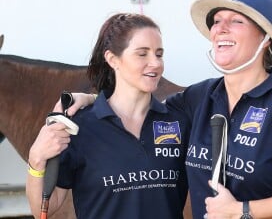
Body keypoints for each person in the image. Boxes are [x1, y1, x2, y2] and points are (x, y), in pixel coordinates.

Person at [63, 0, 272, 218]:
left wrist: (242, 211)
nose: (220, 29)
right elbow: (136, 104)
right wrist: (92, 100)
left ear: (266, 37)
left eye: (236, 21)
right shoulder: (199, 99)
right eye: (216, 21)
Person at [26, 13, 191, 219]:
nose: (155, 63)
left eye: (159, 54)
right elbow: (44, 208)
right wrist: (36, 159)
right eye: (142, 54)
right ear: (113, 59)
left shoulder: (179, 121)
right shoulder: (80, 126)